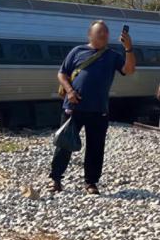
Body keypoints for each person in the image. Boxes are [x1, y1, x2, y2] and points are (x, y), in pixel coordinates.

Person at [48, 20, 135, 195]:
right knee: (64, 144)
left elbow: (129, 69)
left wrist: (128, 48)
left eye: (106, 32)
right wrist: (69, 90)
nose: (104, 34)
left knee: (96, 147)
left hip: (99, 109)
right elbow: (62, 73)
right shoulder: (77, 51)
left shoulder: (112, 55)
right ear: (90, 35)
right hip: (74, 107)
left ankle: (91, 182)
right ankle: (55, 179)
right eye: (100, 32)